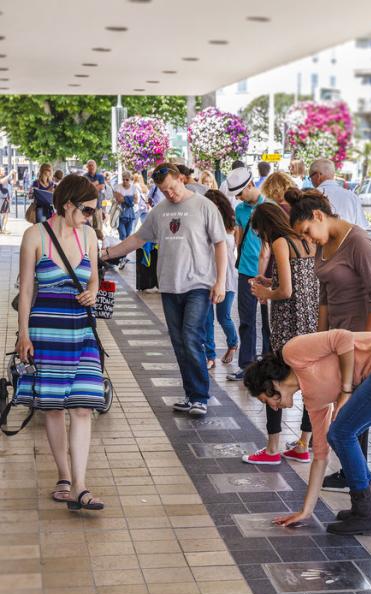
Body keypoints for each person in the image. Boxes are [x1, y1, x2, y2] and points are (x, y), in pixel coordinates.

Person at [244, 329, 371, 535]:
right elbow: (320, 456)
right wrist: (305, 511)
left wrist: (345, 391)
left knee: (341, 433)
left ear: (271, 384)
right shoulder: (313, 400)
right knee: (340, 435)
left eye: (267, 400)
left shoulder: (292, 352)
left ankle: (365, 513)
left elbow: (343, 337)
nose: (273, 408)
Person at [102, 162, 227, 418]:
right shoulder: (159, 211)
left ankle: (201, 396)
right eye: (164, 190)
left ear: (181, 179)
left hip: (198, 285)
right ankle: (191, 394)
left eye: (172, 187)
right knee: (180, 342)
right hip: (170, 287)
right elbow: (137, 240)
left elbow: (220, 244)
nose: (170, 194)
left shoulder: (204, 206)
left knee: (192, 338)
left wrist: (220, 281)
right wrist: (106, 254)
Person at [288, 188, 371, 497]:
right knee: (345, 411)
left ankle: (359, 480)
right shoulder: (324, 245)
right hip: (339, 335)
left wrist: (367, 340)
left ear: (319, 216)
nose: (308, 239)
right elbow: (325, 297)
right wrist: (320, 340)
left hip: (364, 340)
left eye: (307, 231)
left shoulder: (358, 242)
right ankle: (351, 472)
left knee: (353, 413)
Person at [14, 174, 106, 511]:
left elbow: (94, 277)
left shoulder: (89, 236)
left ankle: (81, 485)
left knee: (83, 407)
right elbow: (25, 290)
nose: (89, 216)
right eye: (85, 210)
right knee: (53, 408)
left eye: (93, 211)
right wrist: (23, 333)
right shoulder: (34, 236)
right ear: (67, 204)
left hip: (82, 330)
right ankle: (64, 476)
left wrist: (93, 291)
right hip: (46, 331)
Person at [242, 201, 319, 465]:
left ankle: (272, 448)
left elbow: (286, 291)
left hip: (288, 322)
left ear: (266, 227)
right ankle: (303, 444)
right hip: (311, 322)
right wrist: (269, 281)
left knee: (272, 378)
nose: (262, 238)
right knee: (309, 384)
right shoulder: (308, 241)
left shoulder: (280, 243)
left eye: (261, 233)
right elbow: (301, 280)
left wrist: (266, 292)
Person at [224, 165, 270, 382]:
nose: (239, 197)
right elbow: (239, 237)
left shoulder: (269, 207)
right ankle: (248, 365)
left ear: (251, 185)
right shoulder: (241, 210)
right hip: (245, 271)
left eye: (241, 193)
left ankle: (270, 365)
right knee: (247, 320)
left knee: (269, 322)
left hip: (268, 272)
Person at [204, 189, 239, 368]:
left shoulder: (232, 226)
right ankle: (209, 355)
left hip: (229, 276)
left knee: (223, 317)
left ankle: (233, 343)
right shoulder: (202, 225)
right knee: (207, 319)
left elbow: (237, 250)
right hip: (207, 275)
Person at [308, 158, 367, 228]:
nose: (310, 181)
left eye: (310, 177)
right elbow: (362, 228)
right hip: (348, 238)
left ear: (318, 175)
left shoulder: (311, 196)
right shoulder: (352, 197)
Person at [114, 172, 137, 241]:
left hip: (130, 213)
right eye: (123, 179)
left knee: (128, 234)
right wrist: (130, 198)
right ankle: (121, 249)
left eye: (127, 179)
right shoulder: (118, 186)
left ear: (130, 179)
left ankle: (126, 250)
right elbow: (119, 199)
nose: (125, 181)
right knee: (123, 234)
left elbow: (136, 200)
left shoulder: (133, 187)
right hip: (120, 212)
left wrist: (124, 198)